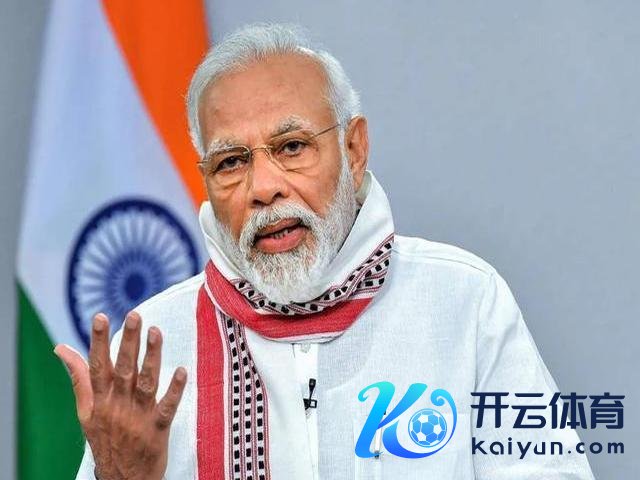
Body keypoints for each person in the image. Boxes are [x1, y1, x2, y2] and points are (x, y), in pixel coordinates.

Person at [55, 23, 595, 479]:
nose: (264, 187)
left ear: (353, 150)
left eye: (291, 147)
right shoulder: (154, 344)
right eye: (231, 162)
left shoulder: (462, 301)